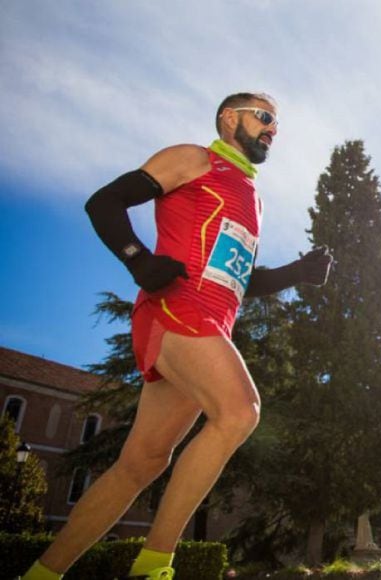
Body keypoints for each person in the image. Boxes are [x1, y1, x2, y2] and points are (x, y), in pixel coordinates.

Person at [21, 92, 333, 580]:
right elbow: (104, 201)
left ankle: (42, 573)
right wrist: (136, 258)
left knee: (142, 462)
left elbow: (239, 280)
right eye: (265, 117)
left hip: (212, 325)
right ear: (230, 119)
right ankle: (155, 564)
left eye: (278, 123)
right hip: (176, 309)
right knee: (239, 412)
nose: (274, 129)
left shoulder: (251, 196)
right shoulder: (194, 159)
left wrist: (297, 273)